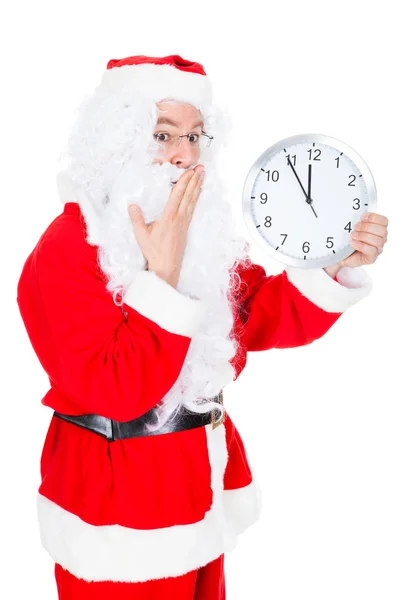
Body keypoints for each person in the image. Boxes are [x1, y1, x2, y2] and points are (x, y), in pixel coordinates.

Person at [16, 54, 388, 599]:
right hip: (117, 517)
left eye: (195, 136)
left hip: (197, 488)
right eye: (163, 134)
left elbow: (255, 313)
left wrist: (336, 263)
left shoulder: (199, 237)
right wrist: (161, 277)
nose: (184, 155)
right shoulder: (67, 249)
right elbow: (116, 389)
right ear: (117, 142)